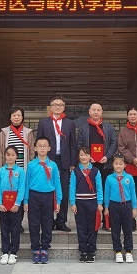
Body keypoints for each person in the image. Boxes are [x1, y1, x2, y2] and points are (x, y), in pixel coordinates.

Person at [36, 95, 77, 232]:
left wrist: (72, 162)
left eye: (60, 105)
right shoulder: (44, 123)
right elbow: (39, 142)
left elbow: (73, 144)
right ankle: (48, 221)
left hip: (64, 161)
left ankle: (61, 221)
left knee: (63, 191)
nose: (58, 107)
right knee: (48, 191)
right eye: (55, 104)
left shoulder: (69, 123)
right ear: (51, 107)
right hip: (47, 161)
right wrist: (39, 160)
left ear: (64, 107)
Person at [76, 102, 118, 230]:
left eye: (98, 110)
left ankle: (107, 221)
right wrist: (88, 157)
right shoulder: (83, 128)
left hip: (105, 165)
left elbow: (114, 143)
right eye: (93, 110)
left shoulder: (108, 127)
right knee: (91, 192)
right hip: (89, 166)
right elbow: (79, 144)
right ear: (89, 112)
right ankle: (93, 221)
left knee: (105, 192)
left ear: (101, 112)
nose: (96, 112)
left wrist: (108, 156)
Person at [0, 106, 35, 232]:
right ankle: (9, 222)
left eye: (19, 115)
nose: (16, 117)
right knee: (8, 193)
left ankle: (18, 222)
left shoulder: (28, 132)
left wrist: (31, 170)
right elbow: (0, 152)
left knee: (21, 195)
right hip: (8, 170)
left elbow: (32, 152)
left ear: (22, 117)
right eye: (14, 115)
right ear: (10, 118)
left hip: (23, 169)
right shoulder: (4, 132)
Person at [24, 136, 62, 264]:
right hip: (34, 196)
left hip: (48, 196)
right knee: (34, 223)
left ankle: (45, 248)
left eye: (44, 146)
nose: (42, 148)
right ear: (35, 148)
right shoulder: (31, 165)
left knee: (47, 222)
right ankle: (35, 248)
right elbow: (26, 183)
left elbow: (57, 184)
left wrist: (58, 201)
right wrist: (26, 200)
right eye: (39, 146)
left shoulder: (53, 165)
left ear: (49, 148)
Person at [69, 146, 103, 263]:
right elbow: (72, 188)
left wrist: (100, 203)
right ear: (78, 157)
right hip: (80, 203)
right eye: (81, 155)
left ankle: (91, 250)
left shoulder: (96, 171)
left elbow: (99, 187)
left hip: (92, 202)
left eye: (86, 155)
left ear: (90, 156)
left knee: (93, 227)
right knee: (81, 227)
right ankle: (83, 250)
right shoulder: (75, 172)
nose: (84, 157)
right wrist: (72, 203)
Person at [104, 153, 137, 263]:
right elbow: (107, 193)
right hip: (114, 205)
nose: (118, 166)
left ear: (125, 165)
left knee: (128, 229)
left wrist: (134, 208)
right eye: (116, 164)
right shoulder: (109, 178)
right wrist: (106, 207)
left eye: (121, 164)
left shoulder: (129, 178)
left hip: (126, 205)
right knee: (115, 229)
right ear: (113, 165)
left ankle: (128, 251)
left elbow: (133, 193)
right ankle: (117, 250)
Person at [0, 146, 26, 265]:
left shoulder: (20, 171)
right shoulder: (0, 171)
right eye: (8, 155)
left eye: (13, 155)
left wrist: (18, 203)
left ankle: (13, 252)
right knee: (4, 228)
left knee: (15, 228)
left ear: (16, 156)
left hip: (15, 204)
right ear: (5, 156)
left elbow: (22, 188)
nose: (10, 157)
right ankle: (4, 252)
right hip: (3, 203)